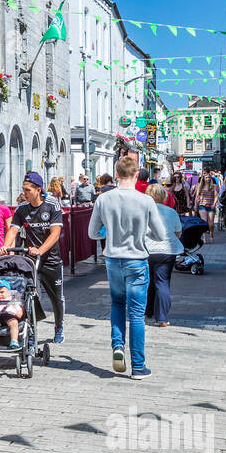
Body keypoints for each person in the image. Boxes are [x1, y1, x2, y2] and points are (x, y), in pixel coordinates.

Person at [87, 157, 165, 378]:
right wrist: (142, 234)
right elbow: (159, 234)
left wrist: (109, 233)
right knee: (137, 315)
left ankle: (118, 346)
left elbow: (92, 233)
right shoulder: (145, 200)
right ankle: (138, 366)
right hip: (136, 260)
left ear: (117, 174)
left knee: (117, 304)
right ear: (136, 173)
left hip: (113, 260)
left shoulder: (103, 199)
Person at [1, 171, 66, 345]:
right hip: (30, 260)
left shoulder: (52, 205)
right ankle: (29, 330)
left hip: (51, 259)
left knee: (56, 297)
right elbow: (13, 230)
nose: (25, 193)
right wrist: (5, 247)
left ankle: (59, 327)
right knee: (29, 295)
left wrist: (40, 249)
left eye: (28, 190)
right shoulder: (22, 208)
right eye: (23, 189)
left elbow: (55, 233)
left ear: (38, 190)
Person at [144, 183, 182, 328]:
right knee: (162, 282)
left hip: (147, 250)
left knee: (148, 281)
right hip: (167, 250)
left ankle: (148, 311)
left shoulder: (144, 212)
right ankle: (162, 318)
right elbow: (179, 231)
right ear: (164, 196)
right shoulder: (171, 212)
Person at [196, 173, 218, 242]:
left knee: (211, 224)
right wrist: (197, 202)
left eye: (209, 177)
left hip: (211, 205)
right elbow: (197, 196)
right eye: (206, 177)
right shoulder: (200, 186)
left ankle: (211, 235)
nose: (207, 179)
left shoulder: (214, 186)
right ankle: (204, 238)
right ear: (204, 178)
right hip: (202, 206)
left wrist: (214, 204)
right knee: (204, 222)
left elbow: (216, 196)